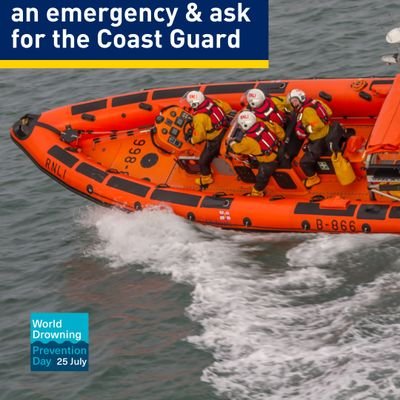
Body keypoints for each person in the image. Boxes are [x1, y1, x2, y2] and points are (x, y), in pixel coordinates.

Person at [183, 90, 232, 186]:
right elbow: (227, 108)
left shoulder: (199, 117)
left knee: (203, 160)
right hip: (224, 128)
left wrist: (191, 140)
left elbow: (200, 136)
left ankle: (206, 178)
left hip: (216, 138)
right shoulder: (212, 102)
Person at [287, 88, 333, 188]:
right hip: (328, 129)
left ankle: (313, 178)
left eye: (295, 101)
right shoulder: (316, 101)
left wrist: (306, 129)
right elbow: (329, 112)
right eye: (292, 101)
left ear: (301, 99)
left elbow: (318, 126)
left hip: (320, 138)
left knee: (304, 162)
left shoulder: (307, 111)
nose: (293, 104)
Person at [228, 111, 281, 197]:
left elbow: (237, 149)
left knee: (261, 177)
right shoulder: (264, 124)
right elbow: (280, 132)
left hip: (268, 161)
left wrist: (231, 142)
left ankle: (257, 192)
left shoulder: (248, 141)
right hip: (278, 149)